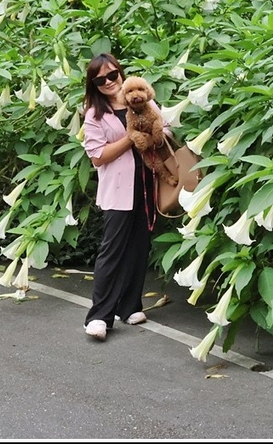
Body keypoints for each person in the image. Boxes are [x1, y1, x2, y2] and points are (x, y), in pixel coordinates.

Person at [80, 52, 169, 341]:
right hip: (118, 190)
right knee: (112, 252)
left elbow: (164, 127)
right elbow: (97, 156)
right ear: (93, 84)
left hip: (146, 183)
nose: (108, 81)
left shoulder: (144, 100)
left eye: (112, 75)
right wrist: (131, 138)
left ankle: (130, 306)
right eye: (100, 79)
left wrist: (157, 133)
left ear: (121, 73)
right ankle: (99, 317)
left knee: (139, 247)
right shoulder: (94, 113)